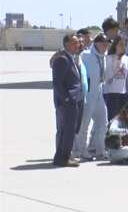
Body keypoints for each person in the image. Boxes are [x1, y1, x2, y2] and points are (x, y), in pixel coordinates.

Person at [51, 33, 84, 167]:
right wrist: (66, 99)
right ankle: (63, 158)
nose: (78, 45)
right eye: (75, 43)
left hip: (75, 100)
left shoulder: (72, 58)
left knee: (70, 131)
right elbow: (57, 83)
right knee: (67, 131)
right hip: (68, 102)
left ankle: (63, 156)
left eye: (78, 42)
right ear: (67, 44)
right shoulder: (62, 59)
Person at [76, 33, 109, 160]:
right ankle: (81, 150)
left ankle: (100, 150)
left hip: (99, 92)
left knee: (103, 121)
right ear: (96, 43)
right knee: (85, 123)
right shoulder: (86, 55)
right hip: (88, 93)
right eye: (103, 43)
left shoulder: (104, 56)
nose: (105, 46)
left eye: (107, 43)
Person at [104, 36, 128, 120]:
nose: (123, 47)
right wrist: (117, 66)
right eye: (121, 44)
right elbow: (107, 77)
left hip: (123, 92)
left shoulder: (126, 58)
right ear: (115, 45)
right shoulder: (109, 58)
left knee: (122, 119)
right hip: (111, 92)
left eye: (124, 45)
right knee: (112, 118)